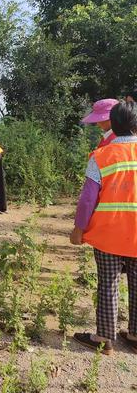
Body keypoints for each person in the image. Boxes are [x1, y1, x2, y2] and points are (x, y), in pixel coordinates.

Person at [71, 101, 137, 355]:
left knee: (108, 284)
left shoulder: (101, 155)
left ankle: (104, 339)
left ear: (112, 124)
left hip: (109, 235)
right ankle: (134, 335)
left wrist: (79, 229)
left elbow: (88, 198)